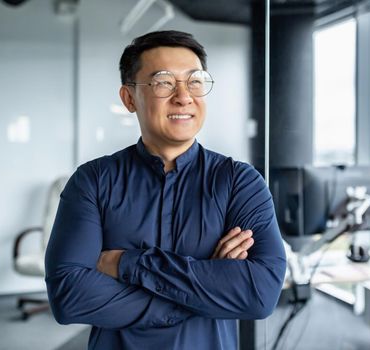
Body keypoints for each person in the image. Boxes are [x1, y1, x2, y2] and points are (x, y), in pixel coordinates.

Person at [45, 30, 286, 350]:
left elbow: (260, 295)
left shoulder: (238, 182)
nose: (184, 96)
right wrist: (208, 290)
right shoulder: (94, 181)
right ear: (129, 98)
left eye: (195, 81)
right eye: (163, 82)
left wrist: (126, 264)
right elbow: (69, 297)